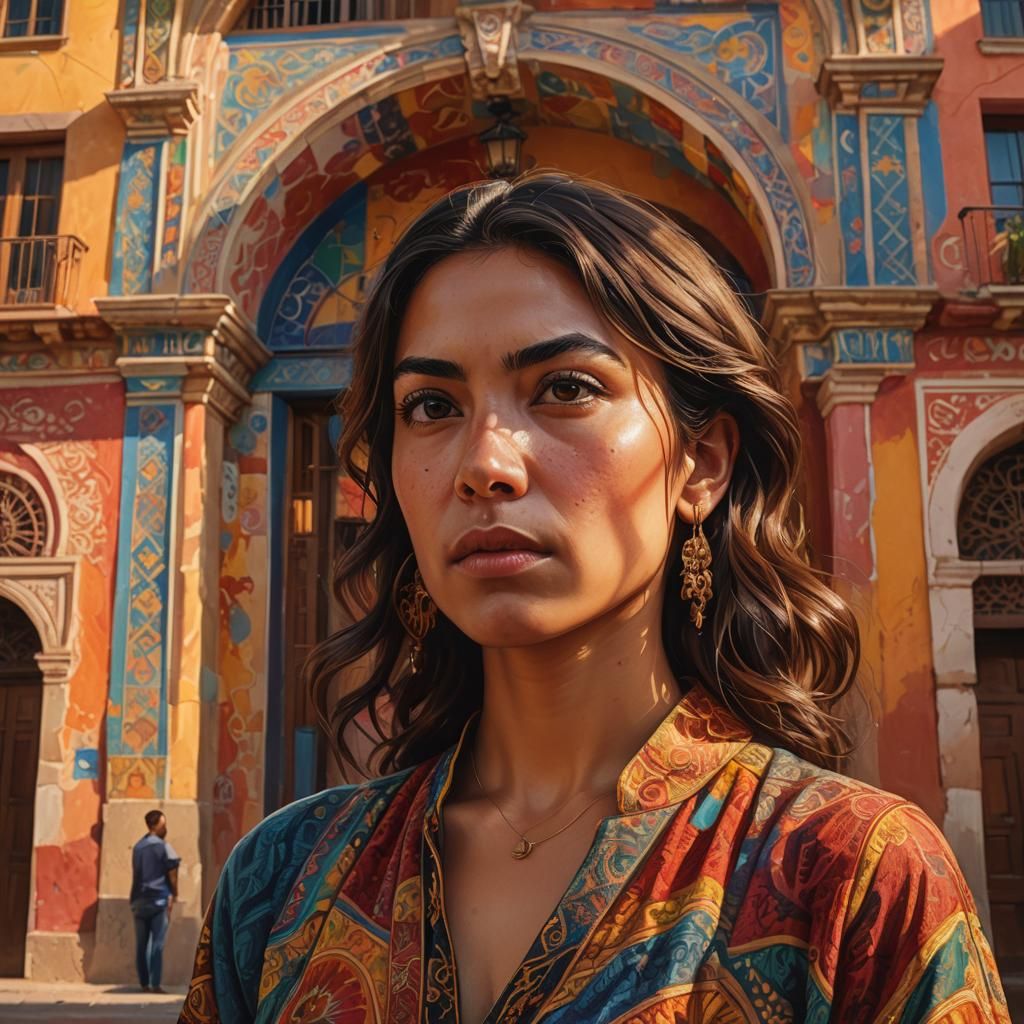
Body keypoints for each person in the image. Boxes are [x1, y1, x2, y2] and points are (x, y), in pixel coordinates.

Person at [180, 174, 1010, 1023]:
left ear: (702, 464)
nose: (485, 464)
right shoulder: (280, 886)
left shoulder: (855, 877)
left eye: (566, 388)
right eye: (431, 405)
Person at [131, 809, 179, 994]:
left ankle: (144, 983)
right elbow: (172, 872)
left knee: (141, 944)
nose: (165, 828)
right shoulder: (164, 847)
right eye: (163, 825)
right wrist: (174, 893)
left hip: (139, 899)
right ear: (155, 825)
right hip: (159, 899)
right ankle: (156, 983)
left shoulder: (138, 847)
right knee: (157, 944)